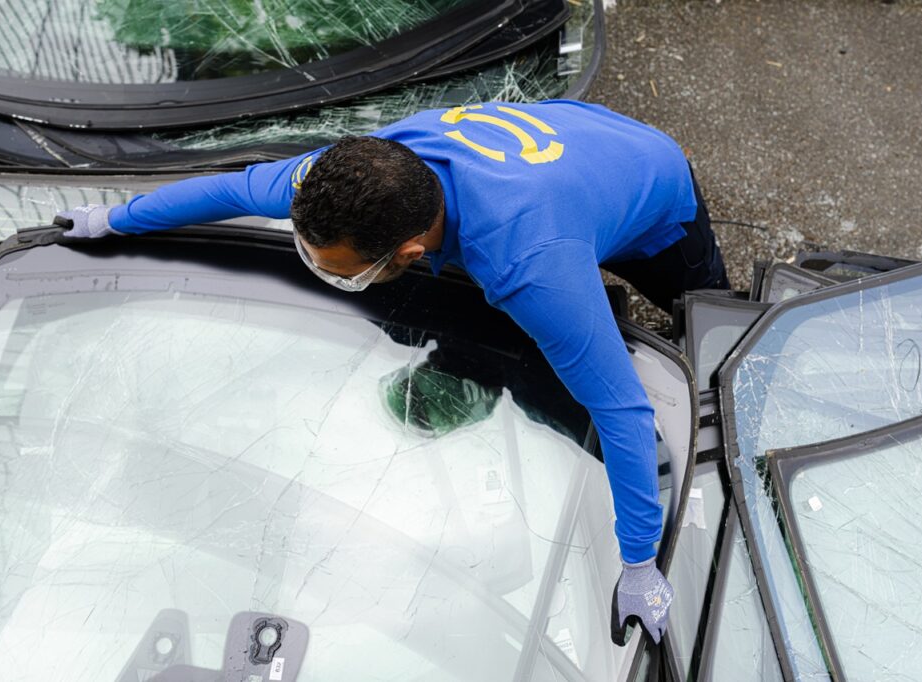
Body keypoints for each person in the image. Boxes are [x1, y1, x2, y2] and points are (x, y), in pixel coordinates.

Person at [57, 99, 729, 646]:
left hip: (650, 189)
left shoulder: (532, 265)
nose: (322, 270)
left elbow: (622, 410)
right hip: (559, 148)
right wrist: (113, 220)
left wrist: (639, 559)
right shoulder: (351, 179)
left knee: (704, 314)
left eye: (336, 269)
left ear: (408, 250)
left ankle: (690, 317)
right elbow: (231, 190)